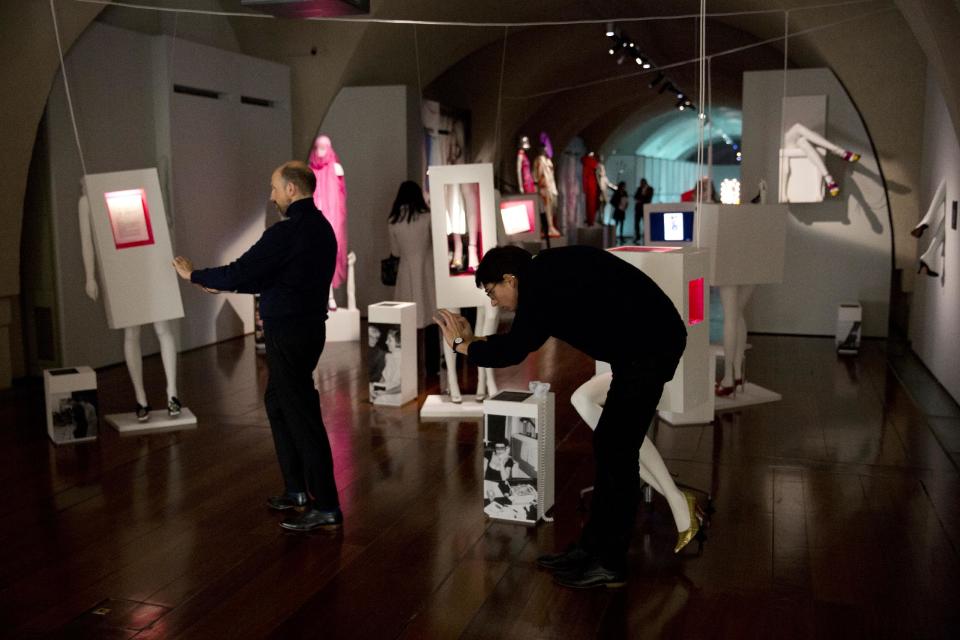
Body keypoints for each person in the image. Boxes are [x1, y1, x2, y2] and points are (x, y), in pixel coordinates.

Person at [434, 245, 687, 589]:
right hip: (641, 347)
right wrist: (473, 341)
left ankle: (609, 563)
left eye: (493, 292)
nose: (494, 303)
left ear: (511, 279)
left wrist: (462, 344)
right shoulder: (545, 275)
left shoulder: (540, 286)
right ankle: (590, 551)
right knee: (611, 446)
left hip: (650, 349)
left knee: (617, 450)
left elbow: (514, 349)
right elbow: (522, 339)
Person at [172, 160, 342, 532]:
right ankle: (297, 490)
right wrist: (224, 284)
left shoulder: (287, 231)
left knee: (301, 414)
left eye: (275, 188)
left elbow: (242, 270)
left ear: (292, 190)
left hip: (289, 333)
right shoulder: (322, 229)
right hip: (309, 329)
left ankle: (326, 505)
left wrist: (194, 274)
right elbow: (276, 277)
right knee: (278, 403)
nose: (272, 195)